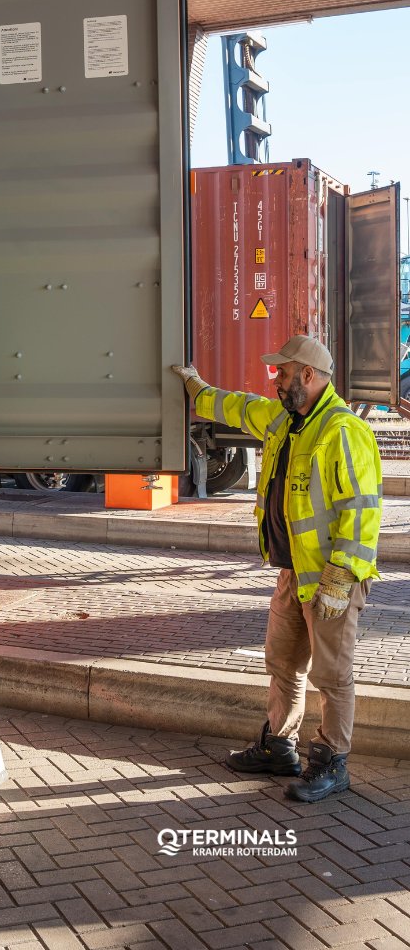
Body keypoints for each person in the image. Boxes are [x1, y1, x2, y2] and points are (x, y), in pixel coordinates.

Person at [172, 335, 381, 802]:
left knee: (332, 673)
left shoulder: (342, 430)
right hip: (295, 573)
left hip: (332, 579)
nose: (275, 381)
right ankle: (280, 746)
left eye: (282, 374)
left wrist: (341, 577)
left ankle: (332, 762)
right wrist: (195, 386)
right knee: (284, 663)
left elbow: (362, 511)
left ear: (308, 376)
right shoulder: (288, 421)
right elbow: (239, 407)